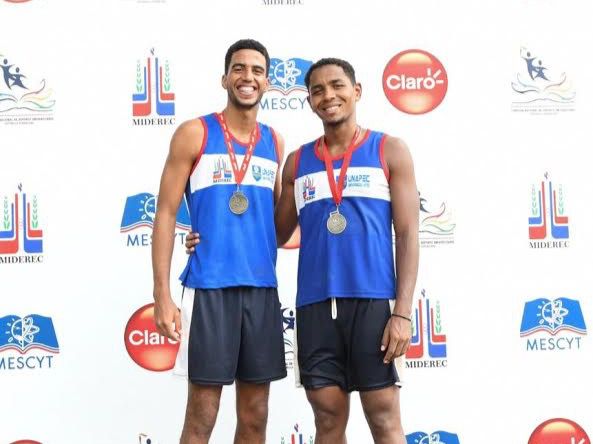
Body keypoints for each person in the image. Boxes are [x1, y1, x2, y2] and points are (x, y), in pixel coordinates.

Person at [186, 57, 419, 444]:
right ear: (308, 101)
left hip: (374, 304)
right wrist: (204, 234)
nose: (328, 96)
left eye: (337, 86)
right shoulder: (298, 161)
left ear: (356, 91)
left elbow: (409, 235)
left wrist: (403, 313)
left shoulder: (389, 150)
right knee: (327, 419)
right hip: (314, 308)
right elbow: (272, 232)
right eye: (317, 90)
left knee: (383, 419)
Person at [152, 38, 286, 444]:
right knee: (203, 412)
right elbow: (165, 213)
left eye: (258, 70)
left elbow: (275, 223)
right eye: (240, 68)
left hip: (261, 290)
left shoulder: (275, 141)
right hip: (210, 287)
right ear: (225, 78)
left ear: (267, 82)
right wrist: (161, 293)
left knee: (255, 414)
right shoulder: (195, 133)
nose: (248, 77)